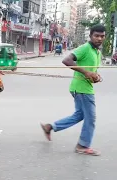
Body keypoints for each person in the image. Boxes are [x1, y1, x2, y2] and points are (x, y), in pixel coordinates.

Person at [40, 24, 106, 156]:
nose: (99, 38)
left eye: (102, 36)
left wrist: (95, 76)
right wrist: (87, 73)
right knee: (91, 118)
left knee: (80, 115)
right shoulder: (85, 48)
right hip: (82, 89)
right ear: (90, 36)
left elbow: (92, 70)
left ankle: (50, 127)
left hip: (84, 87)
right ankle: (82, 146)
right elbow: (67, 60)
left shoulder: (97, 52)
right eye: (96, 36)